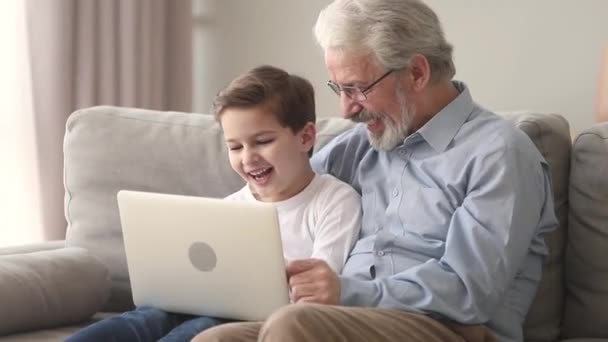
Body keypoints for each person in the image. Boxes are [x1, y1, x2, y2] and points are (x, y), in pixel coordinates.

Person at [193, 1, 558, 342]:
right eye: (339, 88)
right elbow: (289, 197)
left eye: (357, 88)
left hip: (453, 329)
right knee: (216, 337)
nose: (347, 110)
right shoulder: (359, 147)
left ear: (416, 73)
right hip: (345, 317)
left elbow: (469, 292)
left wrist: (344, 291)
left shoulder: (499, 153)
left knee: (294, 324)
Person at [65, 65, 362, 342]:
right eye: (235, 146)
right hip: (202, 303)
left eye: (262, 141)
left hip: (260, 320)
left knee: (201, 328)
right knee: (143, 319)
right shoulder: (228, 208)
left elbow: (321, 285)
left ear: (305, 137)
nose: (248, 158)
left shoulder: (334, 200)